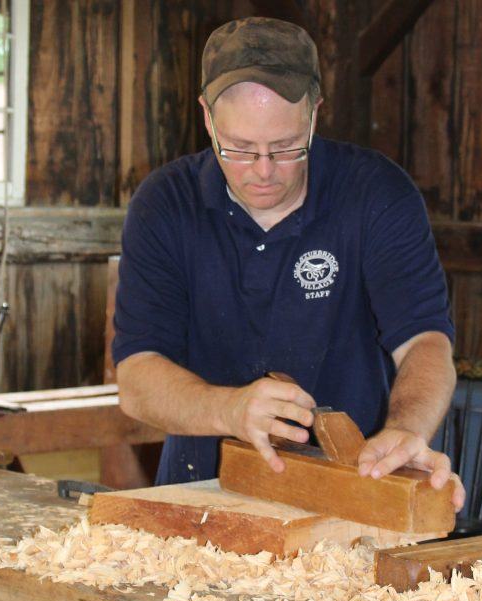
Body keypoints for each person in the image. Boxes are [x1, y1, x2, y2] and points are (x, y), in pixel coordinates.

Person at [112, 16, 463, 509]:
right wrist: (231, 409)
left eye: (284, 148)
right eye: (238, 148)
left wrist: (406, 429)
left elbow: (425, 341)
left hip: (347, 487)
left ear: (314, 115)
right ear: (208, 119)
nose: (262, 170)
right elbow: (137, 379)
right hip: (200, 494)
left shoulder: (376, 193)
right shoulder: (166, 204)